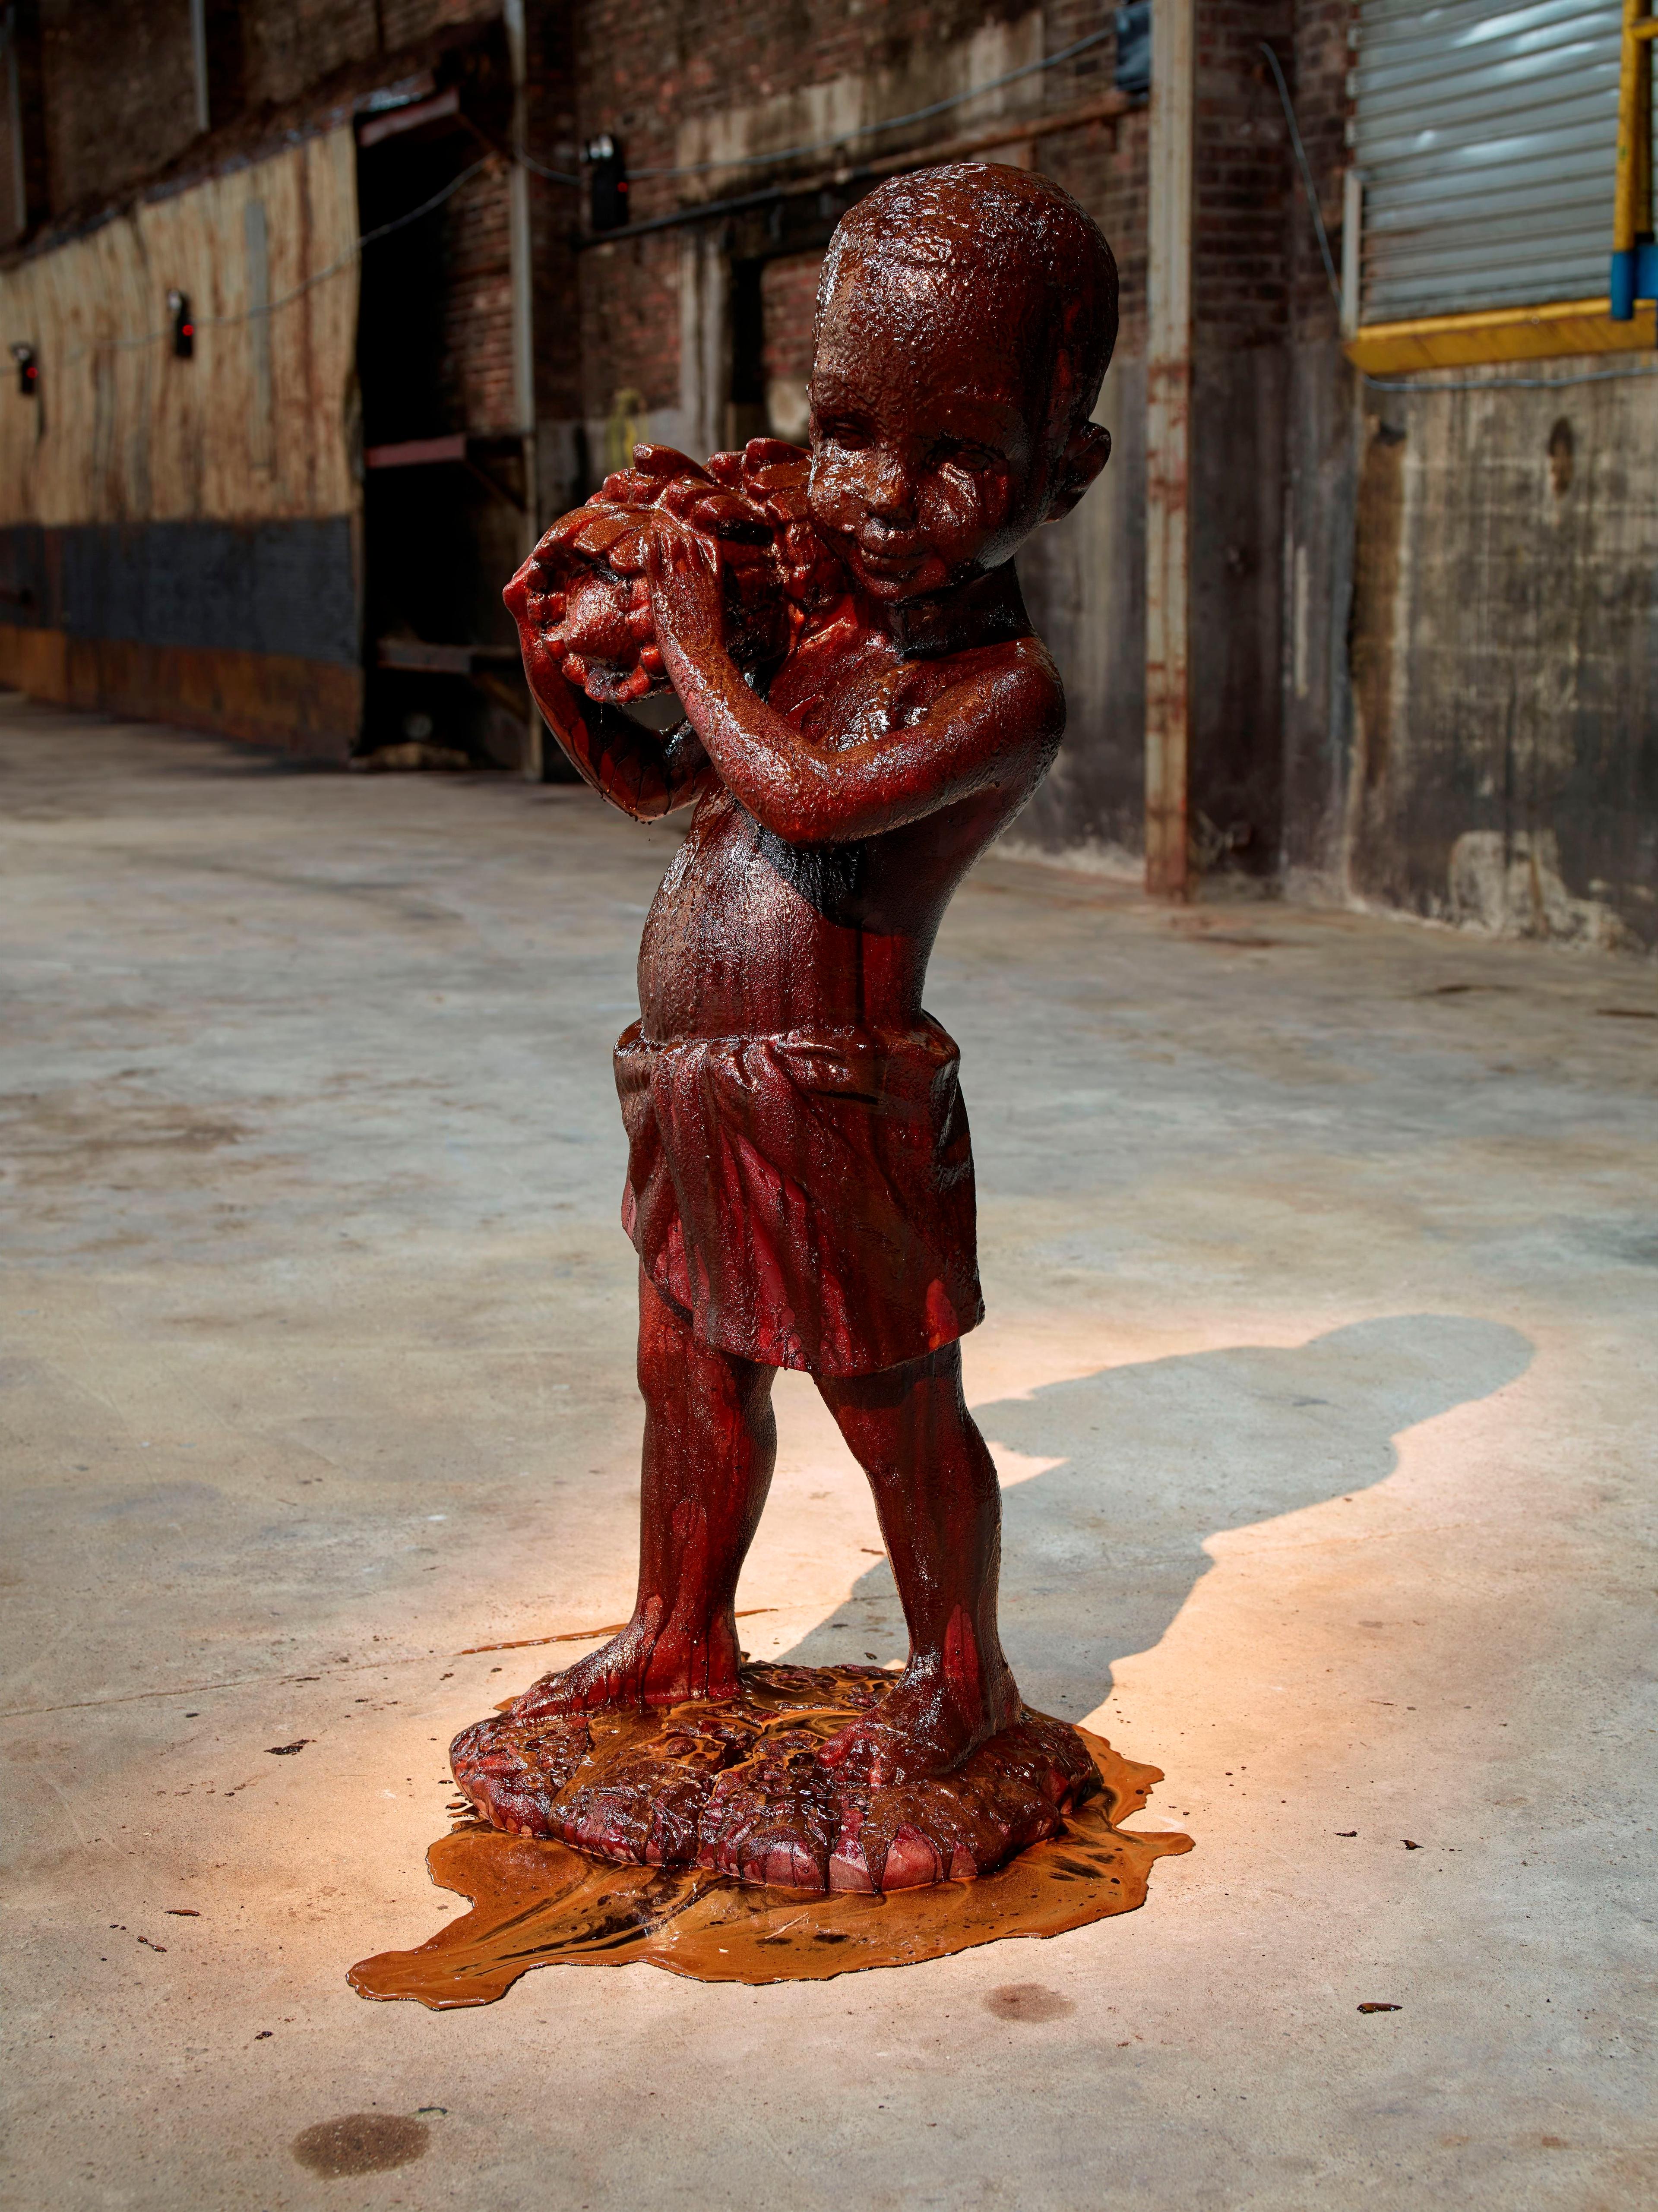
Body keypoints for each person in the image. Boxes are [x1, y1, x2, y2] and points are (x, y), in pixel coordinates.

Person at [503, 161, 1117, 1801]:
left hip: (832, 1086)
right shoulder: (823, 641)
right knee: (687, 1369)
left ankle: (963, 1682)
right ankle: (677, 1629)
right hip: (693, 1078)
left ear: (1068, 469)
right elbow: (670, 788)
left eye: (959, 455)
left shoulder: (1000, 689)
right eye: (848, 433)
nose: (881, 497)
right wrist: (563, 677)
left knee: (891, 1397)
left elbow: (814, 801)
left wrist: (699, 641)